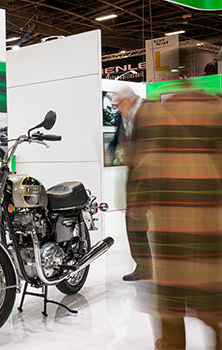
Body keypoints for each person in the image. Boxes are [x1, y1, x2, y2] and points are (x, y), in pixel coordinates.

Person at [126, 47, 222, 349]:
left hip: (170, 232)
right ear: (191, 74)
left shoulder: (153, 114)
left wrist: (136, 217)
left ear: (169, 75)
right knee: (213, 309)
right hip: (209, 229)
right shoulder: (214, 109)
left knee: (170, 312)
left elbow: (139, 173)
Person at [109, 85, 152, 281]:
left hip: (156, 176)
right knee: (134, 221)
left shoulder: (151, 109)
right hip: (135, 177)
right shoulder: (123, 115)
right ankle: (143, 267)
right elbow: (119, 138)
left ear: (128, 100)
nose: (117, 109)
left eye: (118, 104)